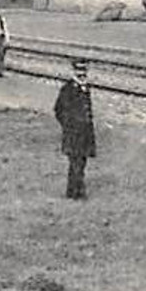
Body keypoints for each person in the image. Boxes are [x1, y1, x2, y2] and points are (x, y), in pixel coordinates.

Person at [53, 59, 96, 200]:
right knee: (75, 163)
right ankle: (76, 192)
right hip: (73, 132)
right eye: (79, 71)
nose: (82, 74)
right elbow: (59, 109)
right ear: (74, 72)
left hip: (85, 132)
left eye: (84, 71)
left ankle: (75, 191)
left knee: (82, 162)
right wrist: (68, 125)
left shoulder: (86, 88)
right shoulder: (68, 89)